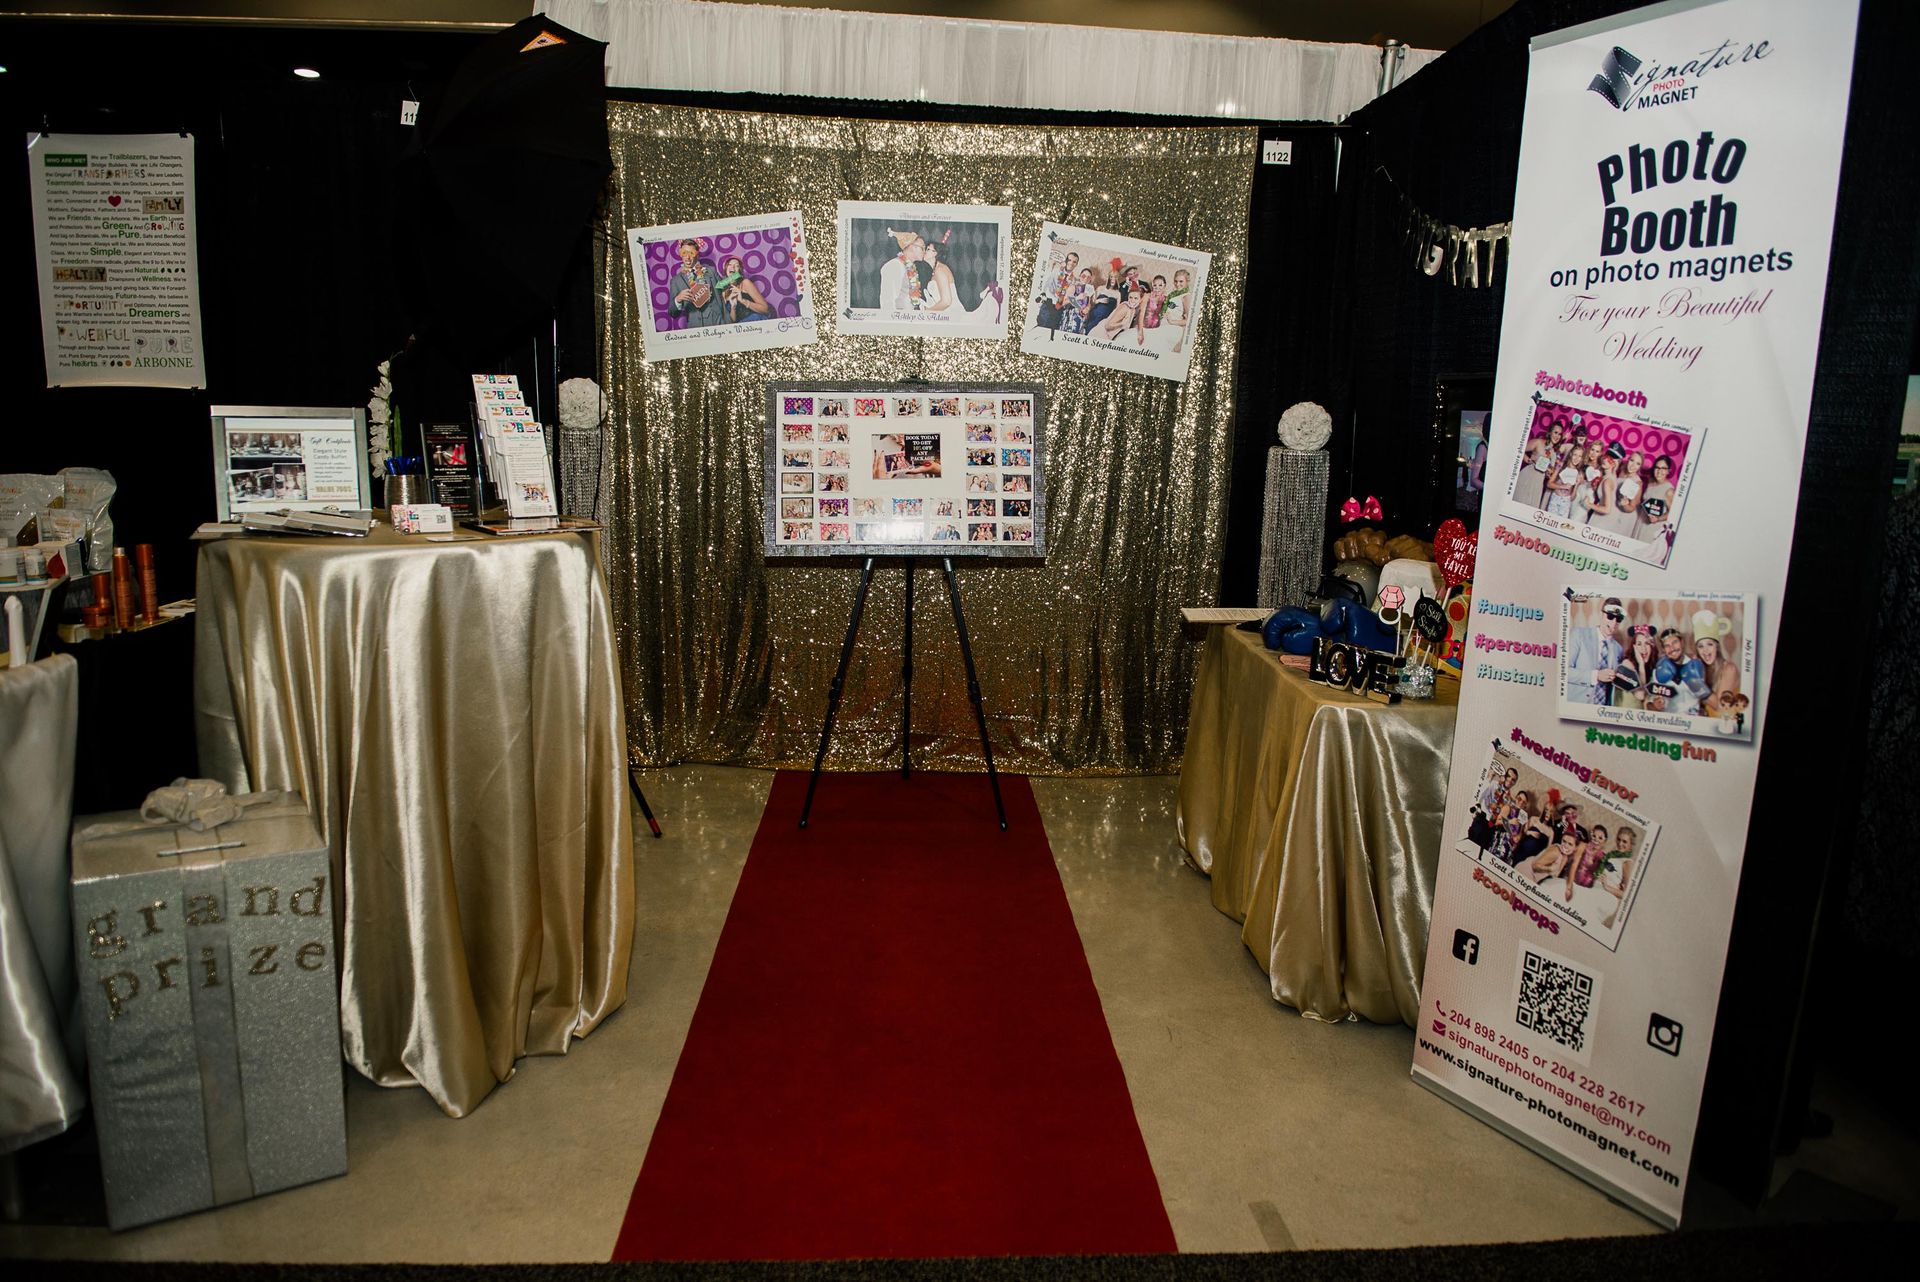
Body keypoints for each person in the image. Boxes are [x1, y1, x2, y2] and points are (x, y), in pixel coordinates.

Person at [1565, 596, 1626, 705]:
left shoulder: (1619, 649)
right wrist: (1595, 675)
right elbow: (1563, 672)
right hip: (1578, 705)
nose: (1614, 623)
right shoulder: (1579, 635)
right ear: (1601, 615)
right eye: (1610, 616)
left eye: (1619, 619)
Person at [920, 240, 999, 322]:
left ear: (936, 254)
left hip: (953, 315)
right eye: (926, 249)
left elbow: (946, 301)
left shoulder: (940, 270)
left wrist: (928, 311)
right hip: (946, 315)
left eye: (929, 249)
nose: (925, 251)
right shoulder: (936, 270)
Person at [668, 238, 728, 329]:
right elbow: (672, 313)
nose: (687, 257)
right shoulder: (676, 281)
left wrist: (735, 276)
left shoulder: (710, 271)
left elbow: (722, 287)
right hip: (695, 328)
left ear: (697, 254)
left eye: (691, 253)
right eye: (684, 253)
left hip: (718, 323)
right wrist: (678, 299)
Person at [1649, 627, 1706, 715]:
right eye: (1667, 646)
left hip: (1692, 720)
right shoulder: (1658, 671)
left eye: (1675, 642)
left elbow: (1704, 698)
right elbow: (1651, 703)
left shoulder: (1695, 666)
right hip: (1669, 721)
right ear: (1663, 649)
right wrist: (1656, 705)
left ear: (1682, 643)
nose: (1672, 648)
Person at [876, 229, 927, 312]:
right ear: (912, 247)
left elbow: (907, 294)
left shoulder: (910, 267)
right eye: (923, 248)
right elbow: (888, 301)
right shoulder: (895, 265)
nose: (924, 252)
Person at [1514, 423, 1562, 508]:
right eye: (1555, 432)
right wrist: (1528, 460)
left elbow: (1549, 473)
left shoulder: (1554, 454)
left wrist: (1549, 473)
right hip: (1527, 477)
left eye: (1560, 434)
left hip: (1538, 484)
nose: (1557, 436)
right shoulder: (1538, 442)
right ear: (1550, 432)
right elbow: (1518, 448)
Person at [1613, 624, 1658, 710]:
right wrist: (1641, 664)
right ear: (1634, 647)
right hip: (1623, 718)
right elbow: (1640, 695)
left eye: (1647, 643)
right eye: (1639, 644)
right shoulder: (1627, 664)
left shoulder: (1651, 667)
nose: (1643, 648)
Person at [719, 255, 772, 324]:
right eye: (730, 265)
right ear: (726, 269)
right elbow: (732, 321)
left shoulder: (745, 283)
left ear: (739, 271)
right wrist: (733, 307)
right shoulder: (723, 292)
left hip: (755, 322)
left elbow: (765, 309)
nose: (733, 267)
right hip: (740, 328)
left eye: (737, 265)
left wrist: (743, 300)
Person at [1637, 454, 1677, 541]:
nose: (1659, 471)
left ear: (1668, 471)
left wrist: (1658, 519)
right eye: (1657, 467)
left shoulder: (1669, 490)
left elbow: (1673, 513)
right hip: (1640, 523)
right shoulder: (1650, 482)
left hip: (1652, 529)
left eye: (1663, 468)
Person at [1166, 268, 1194, 354]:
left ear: (1187, 281)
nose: (1178, 284)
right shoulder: (1173, 295)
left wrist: (1172, 321)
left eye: (1181, 281)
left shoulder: (1186, 296)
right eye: (1176, 281)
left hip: (1173, 328)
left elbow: (1190, 321)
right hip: (1164, 325)